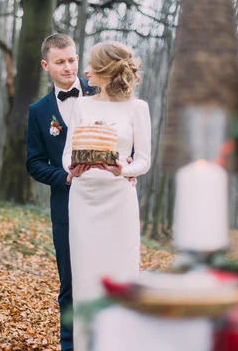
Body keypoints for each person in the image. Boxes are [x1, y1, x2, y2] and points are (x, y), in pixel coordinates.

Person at [62, 41, 152, 351]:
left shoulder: (138, 108)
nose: (83, 71)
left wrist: (123, 171)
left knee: (121, 274)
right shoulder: (81, 105)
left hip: (119, 201)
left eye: (90, 65)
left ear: (106, 70)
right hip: (84, 198)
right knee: (86, 279)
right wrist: (73, 167)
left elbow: (143, 159)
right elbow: (65, 155)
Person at [25, 34, 97, 351]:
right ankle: (70, 346)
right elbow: (34, 163)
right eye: (60, 62)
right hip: (65, 208)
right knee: (70, 284)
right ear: (46, 66)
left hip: (105, 202)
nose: (68, 67)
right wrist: (64, 177)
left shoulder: (101, 93)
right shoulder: (39, 111)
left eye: (72, 60)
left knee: (105, 279)